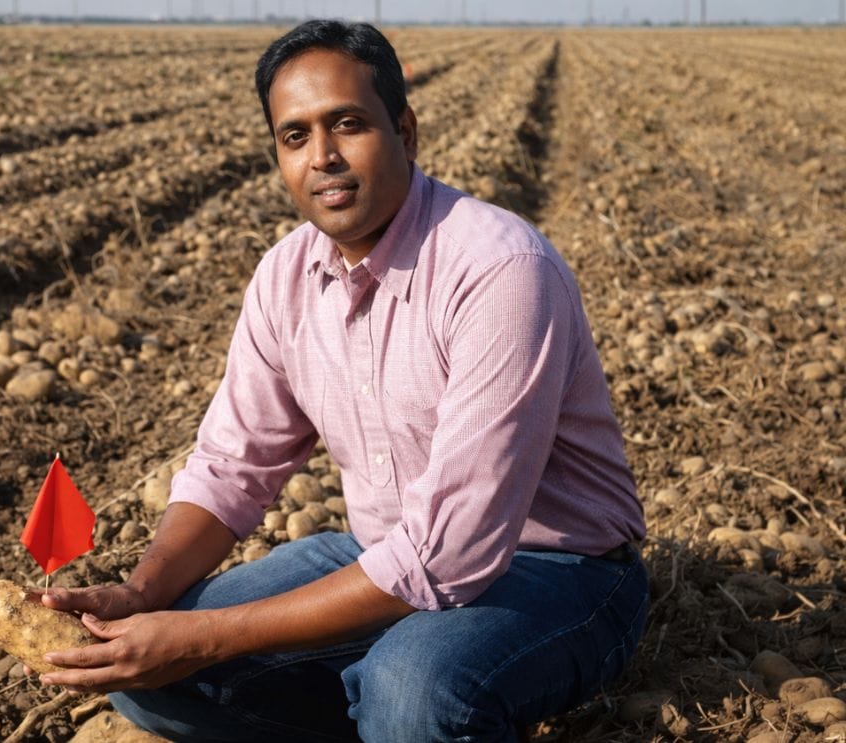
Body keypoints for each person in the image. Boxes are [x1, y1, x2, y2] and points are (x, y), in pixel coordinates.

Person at [31, 20, 648, 742]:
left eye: (347, 124)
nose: (322, 157)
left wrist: (205, 635)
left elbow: (452, 550)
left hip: (558, 570)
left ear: (405, 132)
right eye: (295, 137)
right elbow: (234, 466)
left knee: (412, 691)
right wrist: (141, 593)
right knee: (148, 677)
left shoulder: (499, 271)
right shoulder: (285, 278)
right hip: (381, 554)